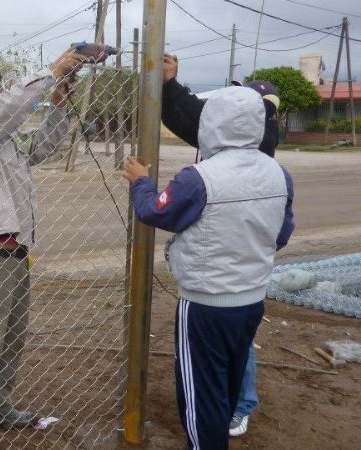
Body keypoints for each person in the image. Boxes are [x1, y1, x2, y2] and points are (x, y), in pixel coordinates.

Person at [123, 86, 295, 449]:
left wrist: (141, 182)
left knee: (201, 392)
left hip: (206, 304)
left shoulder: (199, 177)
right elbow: (281, 233)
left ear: (210, 122)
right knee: (230, 382)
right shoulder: (279, 173)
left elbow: (155, 211)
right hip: (251, 300)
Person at [0, 48, 85, 450]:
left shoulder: (5, 141)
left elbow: (44, 145)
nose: (3, 94)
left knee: (10, 338)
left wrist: (58, 103)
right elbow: (13, 106)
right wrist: (53, 70)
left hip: (14, 253)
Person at [160, 53, 287, 437]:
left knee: (225, 352)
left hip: (219, 276)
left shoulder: (257, 140)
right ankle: (233, 405)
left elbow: (157, 212)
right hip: (243, 267)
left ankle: (238, 407)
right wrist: (169, 86)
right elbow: (189, 119)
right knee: (234, 344)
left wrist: (141, 186)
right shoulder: (264, 163)